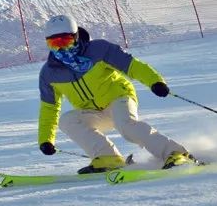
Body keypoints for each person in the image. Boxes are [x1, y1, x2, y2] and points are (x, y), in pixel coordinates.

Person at [37, 14, 195, 174]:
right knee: (67, 120)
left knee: (126, 125)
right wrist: (46, 139)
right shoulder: (49, 73)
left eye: (65, 40)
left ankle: (175, 153)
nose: (61, 48)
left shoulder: (98, 50)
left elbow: (132, 65)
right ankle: (108, 158)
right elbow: (49, 109)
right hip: (93, 112)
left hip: (118, 98)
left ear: (76, 36)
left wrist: (155, 81)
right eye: (54, 43)